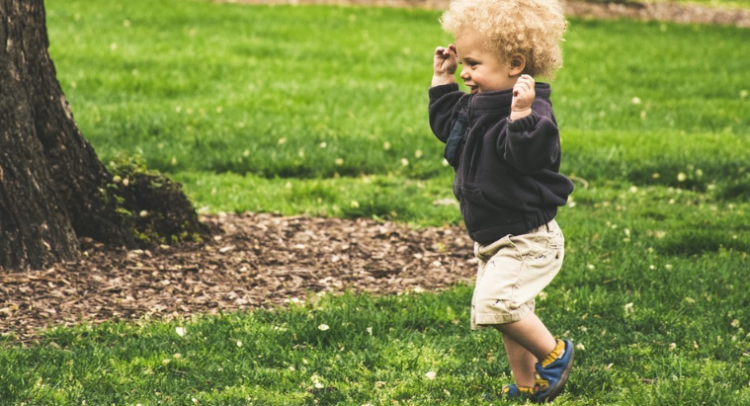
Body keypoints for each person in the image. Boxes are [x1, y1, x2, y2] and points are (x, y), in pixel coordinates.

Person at [428, 0, 575, 402]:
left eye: (473, 63)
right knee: (509, 314)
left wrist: (521, 116)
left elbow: (529, 157)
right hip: (495, 235)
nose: (465, 72)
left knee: (497, 304)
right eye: (462, 63)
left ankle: (556, 353)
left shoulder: (532, 110)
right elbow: (447, 128)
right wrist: (442, 81)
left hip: (528, 237)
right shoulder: (476, 104)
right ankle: (528, 384)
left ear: (514, 63)